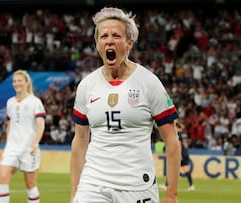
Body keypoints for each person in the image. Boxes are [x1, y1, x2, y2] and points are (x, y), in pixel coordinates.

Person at [70, 7, 181, 203]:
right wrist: (75, 191)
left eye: (116, 35)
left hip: (136, 185)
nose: (109, 41)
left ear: (129, 43)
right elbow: (80, 141)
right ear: (97, 44)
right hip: (93, 183)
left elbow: (171, 140)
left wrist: (171, 195)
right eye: (103, 36)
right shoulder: (87, 86)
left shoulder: (149, 82)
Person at [0, 70, 46, 203]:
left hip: (29, 149)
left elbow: (40, 125)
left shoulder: (35, 102)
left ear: (26, 82)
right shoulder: (10, 102)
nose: (16, 83)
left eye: (19, 81)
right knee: (2, 178)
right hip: (12, 148)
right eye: (14, 81)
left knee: (30, 184)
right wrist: (8, 142)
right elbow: (9, 124)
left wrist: (35, 143)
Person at [159, 120, 195, 192]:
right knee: (179, 169)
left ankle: (191, 185)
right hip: (185, 152)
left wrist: (180, 154)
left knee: (175, 169)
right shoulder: (184, 134)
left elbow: (179, 144)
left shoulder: (178, 134)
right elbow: (186, 144)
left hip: (181, 153)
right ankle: (191, 185)